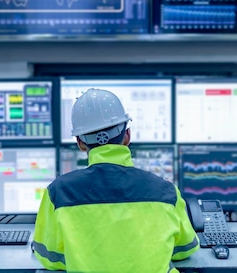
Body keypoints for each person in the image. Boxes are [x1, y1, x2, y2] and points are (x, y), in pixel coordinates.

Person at [32, 88, 199, 273]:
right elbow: (186, 248)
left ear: (80, 143)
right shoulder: (166, 192)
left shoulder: (58, 193)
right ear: (127, 136)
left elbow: (49, 257)